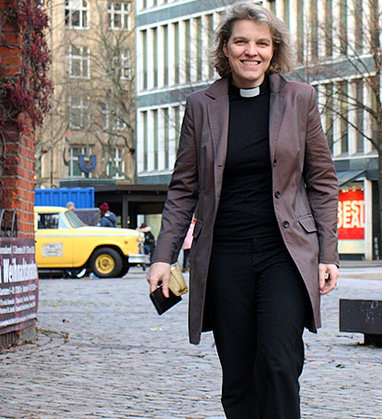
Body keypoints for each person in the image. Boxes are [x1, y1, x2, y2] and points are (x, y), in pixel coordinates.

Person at [146, 3, 339, 418]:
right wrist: (163, 256)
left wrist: (327, 254)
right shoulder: (201, 105)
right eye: (241, 41)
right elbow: (184, 189)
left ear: (274, 50)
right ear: (226, 49)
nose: (251, 51)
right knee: (237, 375)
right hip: (225, 256)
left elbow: (322, 181)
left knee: (279, 363)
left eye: (261, 43)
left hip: (284, 255)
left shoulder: (300, 99)